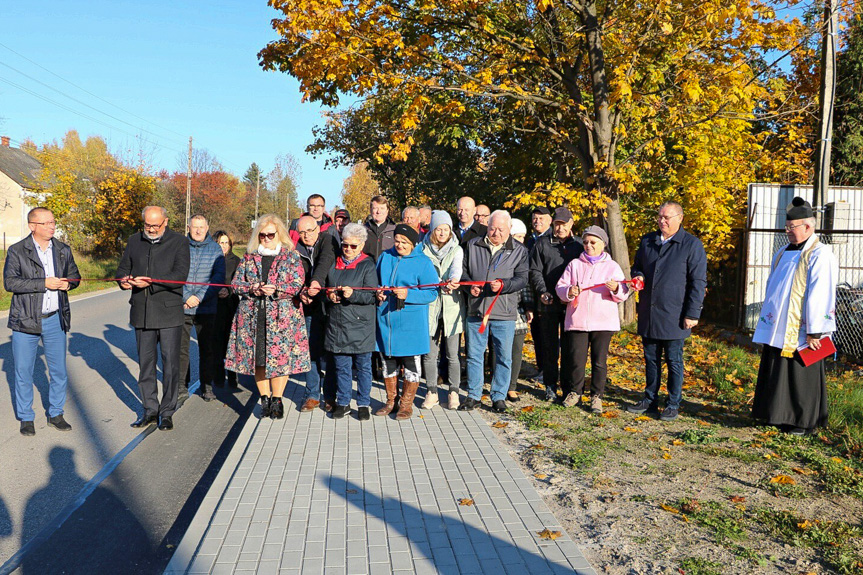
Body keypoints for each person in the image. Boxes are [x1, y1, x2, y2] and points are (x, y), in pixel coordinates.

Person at [752, 197, 838, 435]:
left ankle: (802, 421)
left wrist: (815, 330)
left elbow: (822, 291)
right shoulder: (782, 252)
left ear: (808, 227)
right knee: (777, 370)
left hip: (803, 328)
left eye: (792, 228)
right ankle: (776, 415)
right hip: (778, 325)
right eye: (786, 227)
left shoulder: (820, 254)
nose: (787, 232)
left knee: (800, 374)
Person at [627, 201, 707, 421]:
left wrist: (692, 313)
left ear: (680, 218)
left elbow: (698, 282)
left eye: (667, 217)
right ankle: (649, 399)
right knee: (650, 359)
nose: (662, 221)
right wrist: (639, 276)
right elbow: (637, 266)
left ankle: (673, 403)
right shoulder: (648, 241)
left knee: (674, 360)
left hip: (675, 314)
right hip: (649, 311)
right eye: (660, 217)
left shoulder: (691, 245)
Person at [225, 215, 311, 420]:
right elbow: (236, 284)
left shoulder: (291, 256)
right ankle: (264, 398)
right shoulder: (249, 257)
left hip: (281, 318)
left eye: (270, 235)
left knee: (280, 360)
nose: (265, 238)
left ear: (279, 234)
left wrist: (277, 289)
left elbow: (297, 284)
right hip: (253, 317)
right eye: (262, 235)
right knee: (259, 360)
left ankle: (277, 400)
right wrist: (252, 288)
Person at [4, 207, 80, 436]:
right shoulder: (17, 250)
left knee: (58, 371)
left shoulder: (62, 250)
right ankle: (26, 417)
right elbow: (11, 283)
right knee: (23, 370)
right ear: (32, 226)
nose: (52, 226)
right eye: (46, 223)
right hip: (25, 319)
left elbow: (75, 276)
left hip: (55, 318)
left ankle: (56, 413)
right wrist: (43, 283)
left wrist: (69, 284)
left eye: (53, 222)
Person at [116, 206, 190, 431]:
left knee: (170, 365)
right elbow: (122, 269)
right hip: (142, 313)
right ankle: (149, 410)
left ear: (165, 222)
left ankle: (167, 411)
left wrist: (151, 281)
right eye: (147, 225)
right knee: (145, 365)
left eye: (155, 225)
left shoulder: (179, 242)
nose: (151, 229)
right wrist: (123, 280)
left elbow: (180, 276)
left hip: (169, 312)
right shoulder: (134, 240)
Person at [556, 226, 631, 413]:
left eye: (593, 242)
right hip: (578, 320)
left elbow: (623, 293)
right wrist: (569, 291)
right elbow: (561, 287)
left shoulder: (612, 266)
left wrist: (615, 288)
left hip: (603, 322)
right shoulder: (574, 264)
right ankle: (575, 392)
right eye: (586, 242)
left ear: (603, 244)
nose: (588, 246)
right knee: (576, 359)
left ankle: (597, 396)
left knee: (599, 361)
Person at [461, 210, 529, 413]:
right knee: (474, 354)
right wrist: (469, 286)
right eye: (492, 228)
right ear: (487, 226)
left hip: (504, 311)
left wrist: (504, 285)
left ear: (509, 229)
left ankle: (498, 396)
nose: (496, 233)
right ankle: (474, 394)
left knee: (503, 356)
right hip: (477, 309)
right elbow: (462, 271)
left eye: (501, 229)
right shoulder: (472, 245)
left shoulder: (519, 250)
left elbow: (522, 279)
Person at [375, 224, 439, 420]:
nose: (400, 245)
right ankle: (390, 401)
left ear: (413, 243)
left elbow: (432, 292)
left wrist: (409, 294)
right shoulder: (385, 257)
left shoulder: (423, 262)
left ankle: (406, 404)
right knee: (388, 362)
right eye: (397, 241)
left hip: (411, 322)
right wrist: (378, 292)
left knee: (411, 364)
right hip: (387, 320)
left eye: (405, 242)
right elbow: (375, 281)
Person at [324, 223, 379, 420]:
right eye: (345, 245)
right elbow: (325, 288)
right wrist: (329, 296)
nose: (348, 249)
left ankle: (364, 403)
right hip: (337, 323)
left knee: (364, 366)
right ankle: (343, 401)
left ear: (361, 245)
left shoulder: (367, 265)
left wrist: (353, 294)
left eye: (353, 246)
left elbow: (371, 295)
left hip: (361, 324)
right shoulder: (334, 262)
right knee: (342, 367)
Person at [529, 207, 583, 402]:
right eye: (556, 224)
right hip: (548, 302)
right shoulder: (543, 244)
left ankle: (570, 388)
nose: (559, 228)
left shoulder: (579, 245)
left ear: (571, 224)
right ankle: (550, 386)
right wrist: (542, 291)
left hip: (572, 304)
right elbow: (534, 270)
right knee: (550, 348)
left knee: (571, 348)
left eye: (563, 224)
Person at [420, 211, 465, 410]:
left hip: (451, 307)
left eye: (446, 229)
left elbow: (457, 269)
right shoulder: (421, 249)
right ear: (432, 230)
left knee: (452, 354)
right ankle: (432, 391)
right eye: (439, 229)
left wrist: (453, 281)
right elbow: (421, 272)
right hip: (430, 307)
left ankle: (453, 391)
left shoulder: (457, 249)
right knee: (430, 354)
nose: (442, 233)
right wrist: (435, 283)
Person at [178, 215, 225, 402]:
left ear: (207, 227)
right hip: (183, 307)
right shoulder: (180, 247)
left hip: (207, 307)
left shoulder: (216, 250)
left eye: (201, 227)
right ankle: (181, 385)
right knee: (180, 350)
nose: (198, 230)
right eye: (194, 227)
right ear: (188, 227)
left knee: (207, 350)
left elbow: (218, 277)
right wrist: (186, 295)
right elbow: (175, 274)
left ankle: (207, 386)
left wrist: (198, 297)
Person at [295, 215, 338, 412]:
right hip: (309, 305)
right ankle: (312, 394)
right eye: (302, 232)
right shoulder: (295, 248)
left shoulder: (328, 240)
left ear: (317, 229)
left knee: (329, 353)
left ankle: (330, 395)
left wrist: (316, 283)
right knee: (310, 351)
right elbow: (294, 274)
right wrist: (301, 291)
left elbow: (325, 261)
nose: (306, 236)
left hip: (329, 304)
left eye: (309, 231)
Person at [507, 219, 534, 402]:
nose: (520, 240)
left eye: (523, 237)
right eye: (517, 236)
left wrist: (529, 306)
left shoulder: (523, 254)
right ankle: (498, 382)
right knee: (498, 349)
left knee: (516, 349)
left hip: (517, 309)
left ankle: (512, 386)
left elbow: (526, 284)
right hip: (499, 307)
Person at [526, 206, 552, 382]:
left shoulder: (552, 239)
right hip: (532, 294)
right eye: (535, 218)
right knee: (537, 333)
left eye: (541, 218)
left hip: (548, 294)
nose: (538, 221)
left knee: (548, 336)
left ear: (549, 220)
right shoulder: (530, 240)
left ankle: (549, 371)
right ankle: (541, 368)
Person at [213, 230, 241, 388]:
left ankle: (232, 376)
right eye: (219, 243)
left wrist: (228, 290)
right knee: (216, 342)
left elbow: (239, 281)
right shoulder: (210, 260)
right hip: (214, 306)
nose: (223, 246)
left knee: (231, 342)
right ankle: (217, 376)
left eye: (225, 243)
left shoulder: (236, 260)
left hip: (231, 305)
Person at [363, 195, 396, 260]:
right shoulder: (362, 230)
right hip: (368, 268)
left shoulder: (395, 230)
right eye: (375, 208)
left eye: (382, 208)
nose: (378, 212)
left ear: (387, 211)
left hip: (387, 268)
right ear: (370, 210)